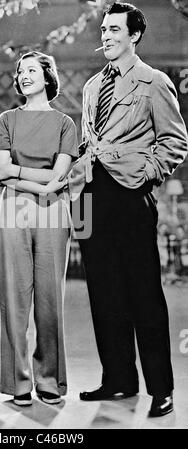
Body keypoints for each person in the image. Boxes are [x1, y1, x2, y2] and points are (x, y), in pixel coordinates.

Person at [69, 2, 187, 417]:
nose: (105, 35)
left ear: (134, 35)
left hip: (130, 195)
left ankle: (161, 390)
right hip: (89, 196)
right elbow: (89, 141)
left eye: (115, 29)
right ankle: (118, 379)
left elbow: (175, 142)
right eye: (103, 28)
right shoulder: (90, 87)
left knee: (143, 293)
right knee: (103, 292)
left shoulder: (153, 82)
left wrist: (145, 175)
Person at [0, 51, 78, 406]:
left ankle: (49, 380)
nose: (24, 76)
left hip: (54, 214)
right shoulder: (6, 120)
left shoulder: (64, 124)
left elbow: (60, 175)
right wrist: (42, 181)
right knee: (13, 300)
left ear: (47, 76)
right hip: (13, 212)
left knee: (49, 300)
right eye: (20, 71)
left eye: (32, 70)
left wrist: (20, 173)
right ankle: (18, 383)